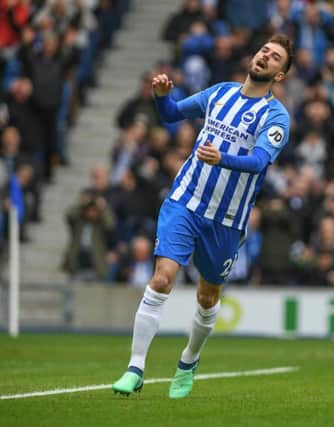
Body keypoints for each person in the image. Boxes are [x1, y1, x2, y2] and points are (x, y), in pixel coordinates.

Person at [111, 34, 294, 399]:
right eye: (263, 51)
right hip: (185, 201)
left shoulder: (276, 117)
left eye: (274, 58)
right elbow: (171, 115)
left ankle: (189, 360)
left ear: (280, 75)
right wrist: (161, 95)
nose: (265, 58)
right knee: (162, 279)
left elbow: (259, 162)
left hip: (226, 219)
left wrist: (221, 158)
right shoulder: (220, 92)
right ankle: (135, 367)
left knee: (208, 297)